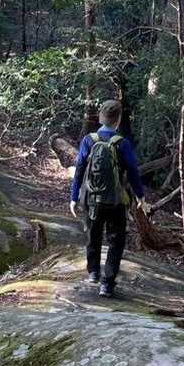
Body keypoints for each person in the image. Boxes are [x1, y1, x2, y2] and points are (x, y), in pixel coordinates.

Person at [69, 100, 146, 297]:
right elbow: (133, 172)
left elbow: (79, 170)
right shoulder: (122, 143)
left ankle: (93, 272)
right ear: (118, 120)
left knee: (93, 235)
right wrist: (141, 196)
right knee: (116, 241)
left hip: (92, 198)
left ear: (101, 118)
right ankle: (107, 284)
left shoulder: (89, 140)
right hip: (116, 200)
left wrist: (74, 197)